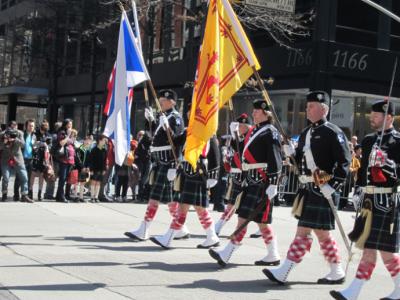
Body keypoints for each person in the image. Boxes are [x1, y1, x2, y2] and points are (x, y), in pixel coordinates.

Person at [263, 91, 351, 285]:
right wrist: (290, 152)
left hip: (323, 189)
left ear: (324, 109)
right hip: (308, 190)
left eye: (311, 106)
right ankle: (335, 270)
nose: (307, 109)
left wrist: (333, 185)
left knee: (309, 232)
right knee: (319, 233)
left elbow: (345, 163)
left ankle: (286, 269)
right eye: (307, 106)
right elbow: (300, 160)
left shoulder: (333, 132)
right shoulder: (306, 133)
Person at [330, 100, 400, 300]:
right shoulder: (368, 140)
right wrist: (358, 190)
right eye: (372, 115)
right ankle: (353, 291)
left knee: (386, 252)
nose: (372, 118)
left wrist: (388, 164)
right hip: (369, 201)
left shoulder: (398, 141)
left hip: (387, 201)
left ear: (388, 118)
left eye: (376, 116)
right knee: (369, 249)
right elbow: (361, 171)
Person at [208, 99, 282, 267]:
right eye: (254, 110)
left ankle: (227, 252)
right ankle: (273, 254)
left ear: (265, 113)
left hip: (261, 181)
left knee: (244, 219)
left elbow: (275, 158)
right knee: (260, 223)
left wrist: (274, 182)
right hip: (250, 180)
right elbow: (241, 149)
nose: (253, 113)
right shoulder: (255, 130)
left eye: (256, 111)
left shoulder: (270, 131)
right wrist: (234, 134)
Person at [149, 104, 221, 249]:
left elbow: (214, 151)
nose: (189, 114)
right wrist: (166, 127)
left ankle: (168, 238)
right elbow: (175, 141)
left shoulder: (206, 131)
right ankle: (211, 236)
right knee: (199, 209)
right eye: (189, 112)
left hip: (198, 172)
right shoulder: (189, 130)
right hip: (187, 172)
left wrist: (214, 174)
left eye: (193, 112)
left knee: (185, 208)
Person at [124, 89, 188, 241]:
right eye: (160, 101)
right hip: (159, 161)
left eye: (163, 101)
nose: (161, 103)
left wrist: (174, 165)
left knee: (154, 196)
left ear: (172, 101)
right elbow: (153, 137)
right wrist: (150, 121)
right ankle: (180, 228)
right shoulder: (164, 117)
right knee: (170, 198)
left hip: (168, 162)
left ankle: (144, 228)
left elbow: (177, 142)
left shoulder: (175, 118)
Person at [214, 113, 251, 236]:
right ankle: (220, 225)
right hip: (235, 174)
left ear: (246, 126)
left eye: (240, 125)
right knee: (232, 203)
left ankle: (219, 226)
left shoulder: (249, 138)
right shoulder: (239, 137)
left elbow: (241, 151)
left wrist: (235, 136)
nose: (238, 128)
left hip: (243, 175)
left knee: (235, 204)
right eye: (238, 126)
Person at [0, 125, 33, 203]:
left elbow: (23, 145)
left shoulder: (19, 133)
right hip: (6, 160)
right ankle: (4, 194)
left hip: (18, 159)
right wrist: (4, 142)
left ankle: (24, 195)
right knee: (6, 178)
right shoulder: (2, 135)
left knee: (24, 177)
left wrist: (15, 139)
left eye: (14, 128)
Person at [55, 119, 75, 203]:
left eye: (71, 124)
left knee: (65, 178)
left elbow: (72, 143)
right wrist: (68, 135)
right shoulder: (62, 133)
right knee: (62, 178)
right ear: (65, 124)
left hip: (70, 160)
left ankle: (59, 195)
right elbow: (61, 143)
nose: (70, 126)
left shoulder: (70, 133)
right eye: (69, 124)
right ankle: (61, 196)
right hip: (63, 159)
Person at [87, 135, 108, 203]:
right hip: (94, 168)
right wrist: (91, 169)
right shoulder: (94, 149)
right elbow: (91, 160)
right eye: (104, 140)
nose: (105, 141)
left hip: (101, 169)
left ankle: (96, 197)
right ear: (100, 140)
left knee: (98, 183)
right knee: (93, 182)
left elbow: (105, 160)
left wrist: (104, 169)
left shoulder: (104, 150)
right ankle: (92, 197)